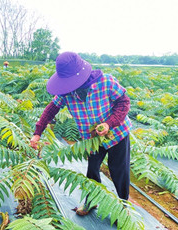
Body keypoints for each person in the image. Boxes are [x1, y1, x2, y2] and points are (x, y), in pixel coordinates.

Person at [30, 51, 131, 216]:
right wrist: (37, 133)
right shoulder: (66, 92)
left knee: (119, 171)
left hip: (117, 134)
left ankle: (123, 208)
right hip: (91, 139)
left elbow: (124, 101)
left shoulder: (106, 82)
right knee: (92, 170)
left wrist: (109, 123)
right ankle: (91, 200)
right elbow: (51, 109)